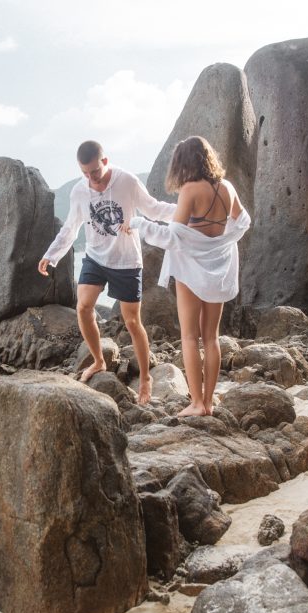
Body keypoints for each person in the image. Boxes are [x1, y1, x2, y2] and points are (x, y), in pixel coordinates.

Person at [38, 140, 176, 404]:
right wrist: (50, 255)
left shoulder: (127, 181)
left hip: (126, 260)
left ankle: (146, 377)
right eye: (85, 174)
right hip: (95, 257)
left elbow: (155, 209)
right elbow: (70, 228)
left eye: (95, 172)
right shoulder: (79, 191)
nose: (91, 179)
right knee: (83, 307)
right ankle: (99, 360)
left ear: (105, 161)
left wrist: (186, 212)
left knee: (132, 322)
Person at [126, 136, 250, 417]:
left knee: (189, 337)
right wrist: (220, 241)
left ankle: (196, 403)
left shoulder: (190, 191)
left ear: (183, 163)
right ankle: (208, 401)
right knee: (212, 337)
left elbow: (173, 237)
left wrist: (137, 223)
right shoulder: (227, 188)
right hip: (218, 268)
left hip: (191, 271)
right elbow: (242, 221)